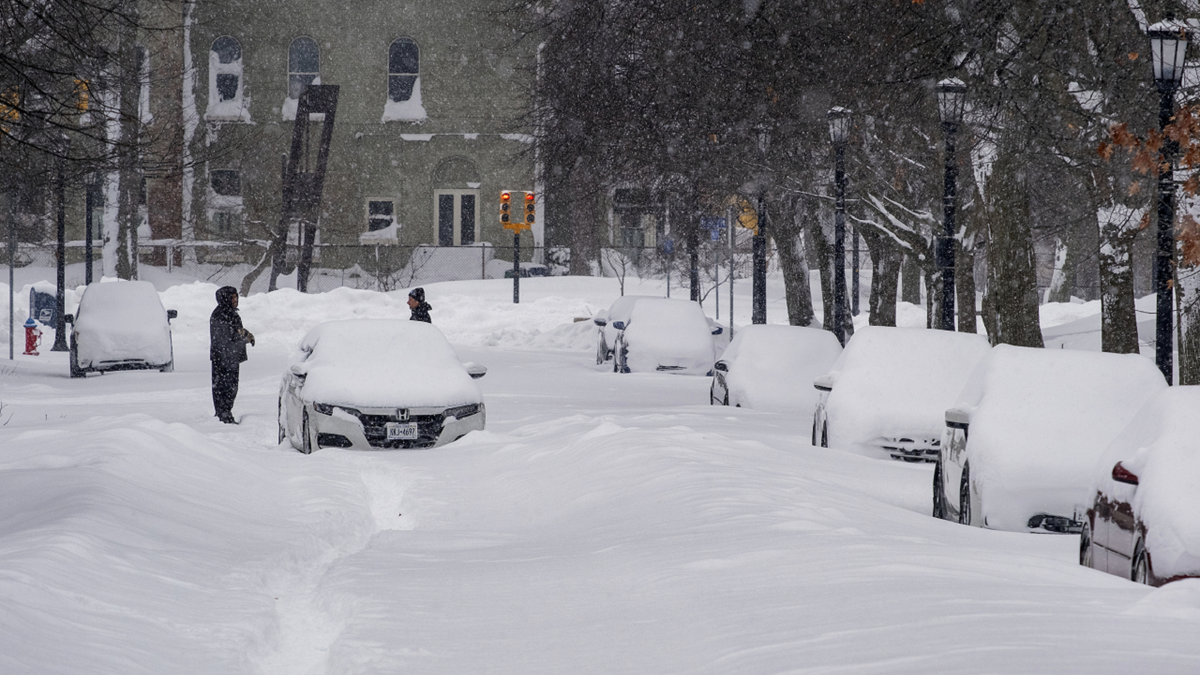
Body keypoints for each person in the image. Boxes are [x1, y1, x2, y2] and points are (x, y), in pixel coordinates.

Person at [209, 286, 254, 424]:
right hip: (223, 358)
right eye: (232, 297)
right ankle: (224, 415)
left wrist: (245, 334)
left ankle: (225, 414)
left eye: (236, 297)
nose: (235, 300)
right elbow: (228, 336)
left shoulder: (229, 313)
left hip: (229, 357)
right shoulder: (221, 315)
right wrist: (244, 337)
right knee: (225, 388)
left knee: (230, 387)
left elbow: (235, 331)